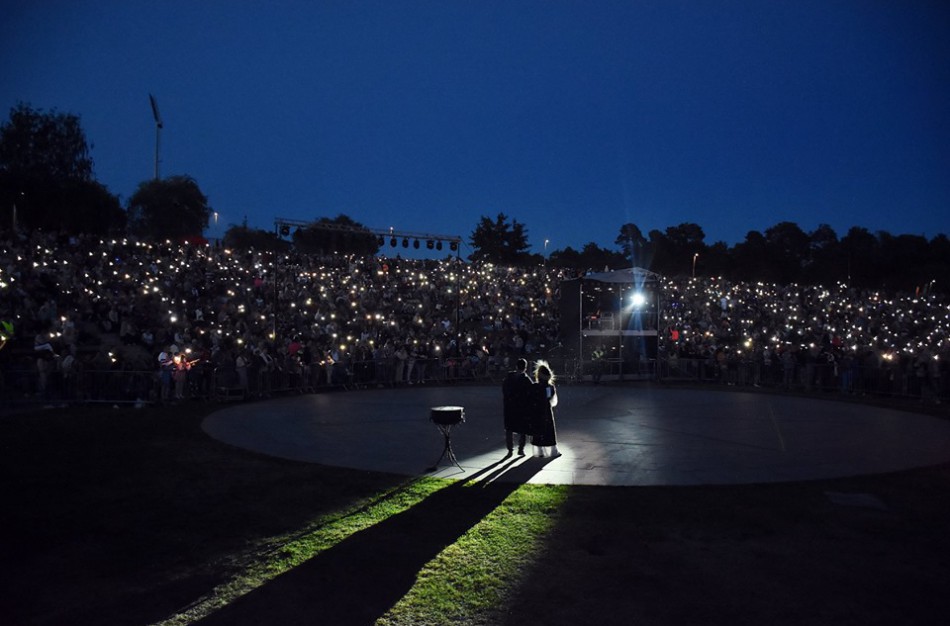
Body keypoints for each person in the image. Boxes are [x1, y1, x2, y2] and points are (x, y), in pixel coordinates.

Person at [501, 358, 533, 456]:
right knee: (522, 428)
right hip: (521, 407)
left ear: (516, 366)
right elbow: (530, 393)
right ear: (525, 368)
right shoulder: (527, 380)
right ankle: (521, 449)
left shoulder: (509, 377)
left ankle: (510, 449)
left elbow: (504, 389)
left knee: (509, 428)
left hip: (510, 406)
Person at [530, 359, 559, 458]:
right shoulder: (549, 387)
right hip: (546, 411)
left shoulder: (534, 387)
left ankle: (539, 451)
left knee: (538, 430)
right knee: (548, 430)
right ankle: (552, 451)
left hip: (536, 411)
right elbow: (552, 400)